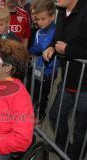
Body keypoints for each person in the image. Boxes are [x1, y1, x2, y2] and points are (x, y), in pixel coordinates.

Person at [43, 0, 87, 159]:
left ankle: (76, 156)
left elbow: (69, 46)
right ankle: (62, 149)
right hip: (67, 79)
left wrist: (68, 50)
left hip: (85, 85)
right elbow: (58, 41)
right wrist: (51, 47)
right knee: (55, 115)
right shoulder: (61, 11)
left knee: (80, 128)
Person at [29, 0, 57, 123]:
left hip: (49, 71)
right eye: (37, 19)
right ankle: (33, 113)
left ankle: (40, 115)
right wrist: (36, 49)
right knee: (34, 92)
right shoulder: (38, 32)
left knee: (43, 95)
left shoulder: (56, 30)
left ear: (52, 16)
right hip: (37, 68)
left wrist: (37, 49)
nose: (39, 22)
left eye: (43, 19)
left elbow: (42, 47)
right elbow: (35, 48)